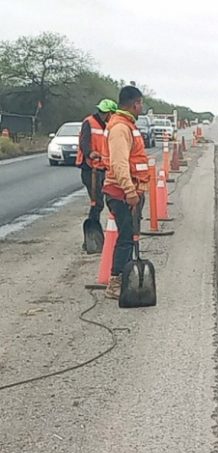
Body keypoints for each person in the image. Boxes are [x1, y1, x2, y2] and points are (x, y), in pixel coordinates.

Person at [102, 86, 151, 299]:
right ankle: (115, 281)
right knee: (125, 237)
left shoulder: (128, 126)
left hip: (129, 191)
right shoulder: (120, 128)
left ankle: (125, 277)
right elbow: (119, 164)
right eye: (140, 103)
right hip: (120, 192)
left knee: (130, 236)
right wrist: (130, 191)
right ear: (134, 103)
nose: (142, 107)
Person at [76, 98, 117, 245]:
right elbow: (84, 142)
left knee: (100, 202)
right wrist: (90, 153)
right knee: (97, 202)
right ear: (109, 113)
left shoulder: (108, 126)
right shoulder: (89, 122)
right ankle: (91, 237)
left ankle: (93, 236)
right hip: (89, 168)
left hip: (101, 168)